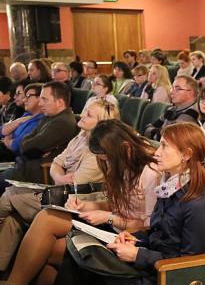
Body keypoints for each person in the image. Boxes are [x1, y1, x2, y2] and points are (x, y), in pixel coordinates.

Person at [0, 122, 205, 285]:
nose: (157, 152)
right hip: (144, 259)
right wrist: (135, 240)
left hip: (157, 279)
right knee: (70, 264)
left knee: (71, 266)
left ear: (186, 155)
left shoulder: (196, 202)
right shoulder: (171, 185)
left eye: (164, 146)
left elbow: (186, 262)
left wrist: (138, 252)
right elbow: (156, 232)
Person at [0, 100, 119, 272]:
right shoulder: (80, 137)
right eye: (85, 110)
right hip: (60, 191)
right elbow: (57, 162)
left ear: (101, 125)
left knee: (10, 196)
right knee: (13, 217)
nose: (82, 114)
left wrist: (59, 176)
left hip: (74, 202)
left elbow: (76, 184)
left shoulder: (96, 153)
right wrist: (60, 176)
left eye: (89, 114)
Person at [0, 81, 78, 191]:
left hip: (37, 173)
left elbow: (27, 148)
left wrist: (27, 143)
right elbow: (26, 141)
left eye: (44, 99)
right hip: (25, 166)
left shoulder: (62, 122)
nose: (40, 104)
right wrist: (28, 143)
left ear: (60, 102)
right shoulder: (49, 116)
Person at [143, 75, 200, 140]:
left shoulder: (192, 112)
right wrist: (158, 132)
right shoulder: (171, 109)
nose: (172, 92)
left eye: (178, 89)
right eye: (172, 88)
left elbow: (170, 138)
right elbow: (146, 129)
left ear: (190, 93)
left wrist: (156, 132)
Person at [0, 83, 43, 162]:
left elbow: (16, 146)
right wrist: (17, 121)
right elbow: (1, 131)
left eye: (28, 96)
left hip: (14, 159)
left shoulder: (40, 120)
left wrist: (8, 137)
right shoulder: (28, 114)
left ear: (41, 98)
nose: (24, 100)